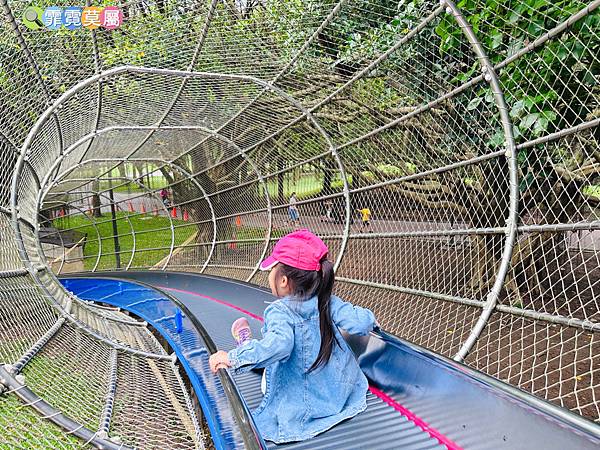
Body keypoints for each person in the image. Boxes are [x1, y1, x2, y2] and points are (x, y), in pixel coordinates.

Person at [209, 229, 377, 443]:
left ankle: (246, 344)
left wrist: (232, 358)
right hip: (339, 393)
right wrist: (372, 320)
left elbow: (279, 346)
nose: (269, 275)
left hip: (304, 403)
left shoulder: (280, 311)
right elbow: (361, 322)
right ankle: (250, 345)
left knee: (270, 362)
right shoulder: (328, 300)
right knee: (273, 350)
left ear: (284, 281)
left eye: (272, 270)